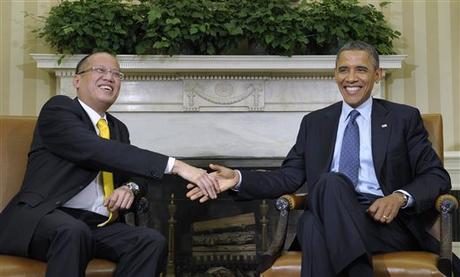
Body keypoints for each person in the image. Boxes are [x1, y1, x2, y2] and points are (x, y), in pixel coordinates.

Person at [186, 41, 453, 276]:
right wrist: (237, 179)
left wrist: (398, 197)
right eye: (343, 70)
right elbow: (288, 176)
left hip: (382, 223)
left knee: (315, 221)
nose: (351, 78)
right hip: (331, 209)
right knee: (327, 194)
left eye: (361, 69)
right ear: (335, 75)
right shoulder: (315, 123)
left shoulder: (402, 118)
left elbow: (436, 176)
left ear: (377, 75)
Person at [0, 52, 220, 277]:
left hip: (95, 226)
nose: (110, 77)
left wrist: (130, 188)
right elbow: (95, 150)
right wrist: (178, 166)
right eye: (100, 70)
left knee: (150, 241)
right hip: (43, 219)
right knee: (72, 231)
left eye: (116, 74)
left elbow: (135, 174)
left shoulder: (118, 129)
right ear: (77, 81)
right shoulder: (58, 110)